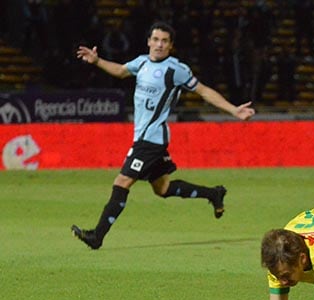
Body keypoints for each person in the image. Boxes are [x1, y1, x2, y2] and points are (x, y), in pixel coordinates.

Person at [71, 21, 255, 250]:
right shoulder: (141, 62)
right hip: (144, 137)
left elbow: (203, 90)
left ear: (171, 46)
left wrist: (234, 109)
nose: (159, 44)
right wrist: (97, 61)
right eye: (156, 39)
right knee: (163, 189)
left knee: (122, 182)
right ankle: (214, 194)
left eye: (164, 41)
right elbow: (120, 71)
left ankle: (97, 236)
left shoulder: (175, 69)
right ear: (148, 41)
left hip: (152, 139)